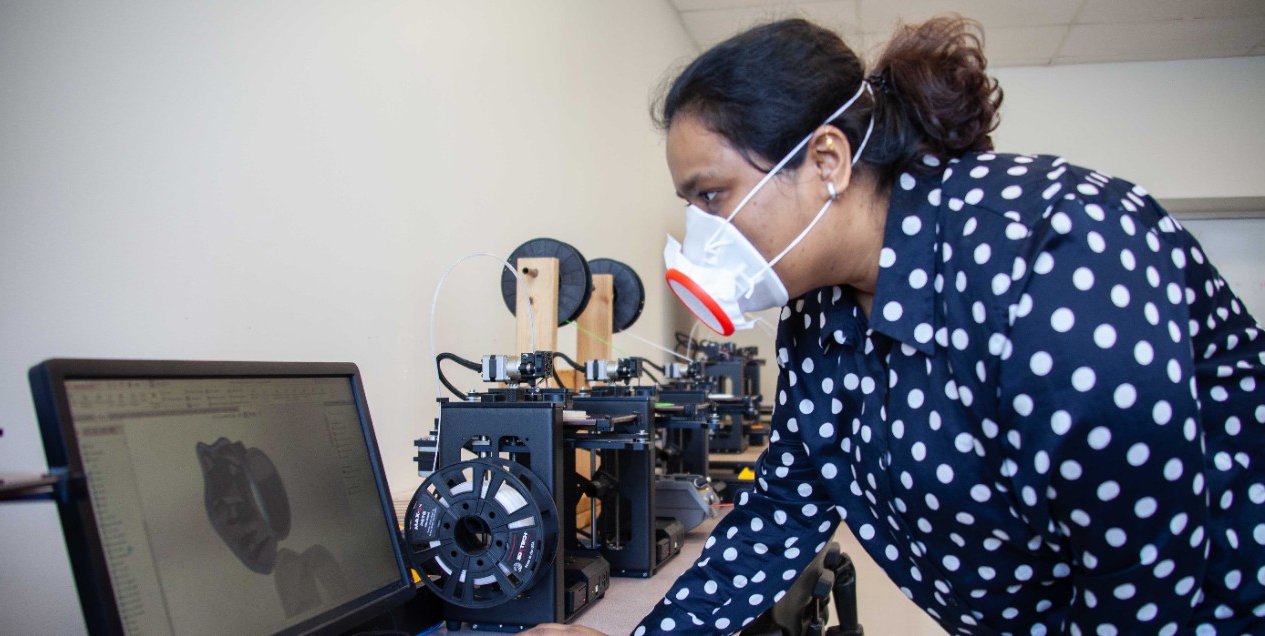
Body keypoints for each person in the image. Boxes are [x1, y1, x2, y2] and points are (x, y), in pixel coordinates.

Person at [525, 15, 1264, 636]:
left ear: (826, 159)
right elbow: (784, 505)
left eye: (712, 196)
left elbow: (1139, 575)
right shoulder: (819, 308)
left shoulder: (1051, 254)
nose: (700, 231)